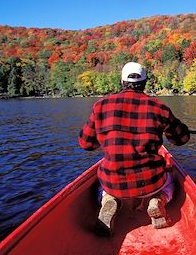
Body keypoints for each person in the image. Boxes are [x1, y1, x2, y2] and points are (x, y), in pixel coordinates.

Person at [78, 62, 190, 236]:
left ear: (122, 82)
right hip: (151, 182)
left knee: (101, 185)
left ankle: (109, 199)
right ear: (145, 83)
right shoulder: (159, 108)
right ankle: (157, 199)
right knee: (171, 182)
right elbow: (181, 139)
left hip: (114, 182)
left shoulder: (100, 106)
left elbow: (86, 144)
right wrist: (173, 128)